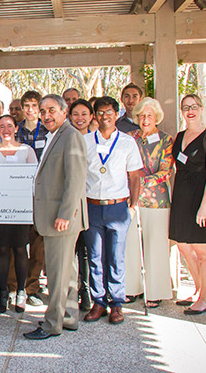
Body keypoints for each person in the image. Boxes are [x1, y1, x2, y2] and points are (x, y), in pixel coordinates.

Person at [24, 94, 88, 340]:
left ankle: (52, 325)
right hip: (55, 216)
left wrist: (65, 214)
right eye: (43, 111)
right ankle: (69, 317)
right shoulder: (55, 136)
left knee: (57, 274)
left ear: (64, 111)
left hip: (60, 218)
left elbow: (76, 180)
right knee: (67, 273)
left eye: (51, 110)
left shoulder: (71, 136)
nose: (46, 115)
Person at [83, 96, 142, 325]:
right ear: (95, 116)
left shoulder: (127, 142)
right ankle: (99, 301)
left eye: (109, 112)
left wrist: (134, 204)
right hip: (92, 206)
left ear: (116, 114)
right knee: (95, 256)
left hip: (118, 206)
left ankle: (116, 303)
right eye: (100, 112)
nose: (105, 116)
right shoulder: (86, 141)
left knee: (116, 257)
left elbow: (135, 175)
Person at [0, 115, 37, 313]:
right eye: (2, 126)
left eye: (10, 126)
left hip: (22, 210)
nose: (6, 129)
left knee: (21, 249)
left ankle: (21, 292)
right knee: (2, 250)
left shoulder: (26, 151)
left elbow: (34, 181)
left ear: (16, 129)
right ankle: (3, 292)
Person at [123, 98, 173, 308]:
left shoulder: (165, 140)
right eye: (142, 115)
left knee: (156, 244)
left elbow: (166, 170)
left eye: (149, 116)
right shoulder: (129, 137)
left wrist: (142, 181)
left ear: (156, 118)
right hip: (130, 197)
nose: (145, 119)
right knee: (130, 243)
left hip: (157, 199)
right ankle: (131, 289)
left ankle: (156, 291)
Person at [169, 94, 206, 315]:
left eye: (194, 106)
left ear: (201, 109)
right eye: (185, 107)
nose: (190, 110)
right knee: (183, 245)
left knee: (202, 251)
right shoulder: (179, 137)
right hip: (180, 197)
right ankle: (198, 289)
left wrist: (205, 205)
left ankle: (205, 298)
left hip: (200, 198)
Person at [12, 90, 49, 307]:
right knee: (17, 242)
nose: (30, 110)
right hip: (18, 193)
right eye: (26, 105)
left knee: (38, 244)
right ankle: (14, 287)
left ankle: (32, 288)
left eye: (35, 106)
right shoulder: (14, 131)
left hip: (42, 194)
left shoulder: (48, 131)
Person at [68, 98, 97, 310]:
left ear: (91, 116)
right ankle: (68, 291)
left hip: (91, 200)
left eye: (84, 114)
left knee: (87, 250)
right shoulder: (66, 138)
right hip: (70, 201)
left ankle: (85, 290)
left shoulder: (98, 141)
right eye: (75, 114)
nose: (80, 118)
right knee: (71, 249)